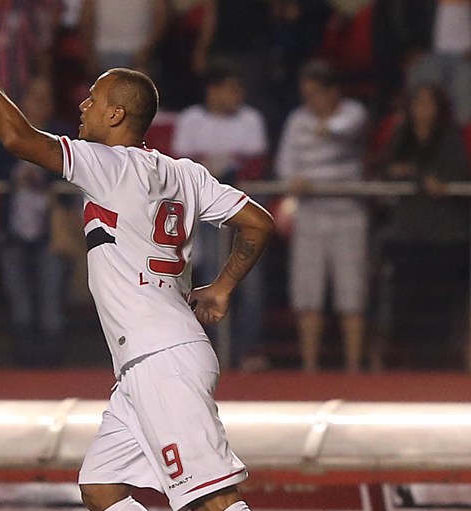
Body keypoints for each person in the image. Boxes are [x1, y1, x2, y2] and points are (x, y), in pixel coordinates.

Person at [0, 7, 274, 511]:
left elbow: (17, 139)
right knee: (101, 488)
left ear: (116, 115)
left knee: (215, 502)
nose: (83, 105)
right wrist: (223, 286)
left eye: (92, 99)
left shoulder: (108, 164)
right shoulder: (185, 172)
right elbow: (258, 221)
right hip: (148, 358)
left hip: (161, 358)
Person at [172, 61, 269, 371]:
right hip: (203, 219)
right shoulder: (191, 119)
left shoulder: (250, 118)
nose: (237, 95)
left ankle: (246, 350)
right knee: (210, 281)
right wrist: (224, 166)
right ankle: (212, 351)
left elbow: (253, 165)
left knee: (249, 285)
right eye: (231, 89)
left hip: (243, 218)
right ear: (212, 91)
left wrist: (216, 167)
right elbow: (180, 164)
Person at [275, 60, 369, 373]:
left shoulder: (353, 113)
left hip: (348, 214)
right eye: (306, 95)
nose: (310, 101)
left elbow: (344, 129)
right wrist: (294, 179)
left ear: (333, 92)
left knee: (351, 292)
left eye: (316, 93)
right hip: (310, 213)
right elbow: (285, 163)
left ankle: (354, 367)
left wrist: (324, 129)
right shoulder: (296, 120)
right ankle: (310, 367)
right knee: (308, 292)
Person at [376, 84, 470, 369]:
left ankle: (442, 357)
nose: (422, 109)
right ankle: (408, 358)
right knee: (406, 298)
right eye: (418, 103)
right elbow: (386, 169)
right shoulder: (402, 135)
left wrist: (418, 176)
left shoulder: (449, 137)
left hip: (445, 235)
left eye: (428, 103)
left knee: (445, 299)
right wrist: (419, 177)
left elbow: (454, 175)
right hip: (408, 232)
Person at [0, 75, 76, 367]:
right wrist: (14, 174)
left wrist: (45, 177)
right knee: (20, 303)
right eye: (35, 98)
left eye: (45, 99)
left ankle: (52, 366)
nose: (40, 105)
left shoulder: (63, 137)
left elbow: (74, 174)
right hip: (13, 232)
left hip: (50, 232)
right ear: (22, 103)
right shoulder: (6, 134)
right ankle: (23, 365)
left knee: (50, 302)